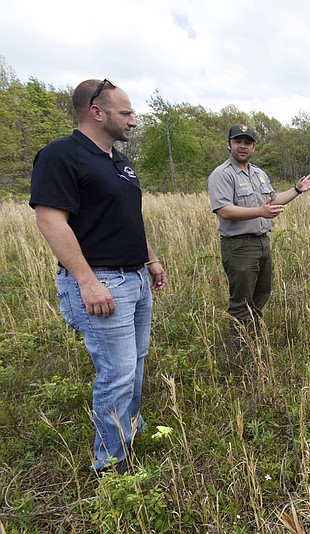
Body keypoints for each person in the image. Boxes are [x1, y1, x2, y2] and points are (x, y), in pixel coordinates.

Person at [29, 78, 168, 475]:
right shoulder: (61, 155)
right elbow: (50, 220)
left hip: (135, 278)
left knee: (135, 365)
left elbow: (126, 220)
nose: (133, 121)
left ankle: (128, 429)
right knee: (116, 373)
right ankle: (111, 464)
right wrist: (88, 281)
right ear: (97, 112)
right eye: (126, 113)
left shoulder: (119, 162)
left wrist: (151, 260)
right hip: (102, 282)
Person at [208, 124, 310, 340]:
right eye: (238, 141)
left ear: (253, 147)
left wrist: (297, 190)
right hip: (239, 247)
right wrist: (259, 212)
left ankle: (254, 343)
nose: (243, 146)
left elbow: (273, 200)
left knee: (260, 296)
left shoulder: (259, 173)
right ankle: (239, 353)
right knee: (241, 303)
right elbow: (223, 210)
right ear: (229, 145)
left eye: (247, 142)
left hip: (262, 243)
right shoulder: (222, 175)